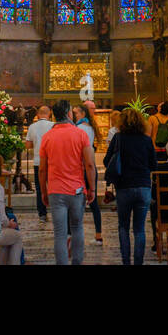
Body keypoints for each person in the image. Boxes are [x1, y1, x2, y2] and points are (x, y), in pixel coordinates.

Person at [39, 99, 95, 265]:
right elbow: (90, 164)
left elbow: (42, 169)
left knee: (59, 233)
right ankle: (77, 262)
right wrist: (92, 188)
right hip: (76, 189)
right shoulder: (80, 134)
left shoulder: (47, 137)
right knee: (77, 228)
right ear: (69, 113)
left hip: (56, 190)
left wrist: (43, 191)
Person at [104, 105, 157, 265]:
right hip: (143, 187)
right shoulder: (146, 140)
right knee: (139, 229)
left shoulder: (118, 138)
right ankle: (138, 262)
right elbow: (153, 165)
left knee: (123, 227)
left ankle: (126, 261)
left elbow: (107, 161)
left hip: (124, 187)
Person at [73, 102, 103, 244]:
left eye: (76, 113)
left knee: (78, 203)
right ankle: (98, 234)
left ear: (82, 114)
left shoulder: (78, 128)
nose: (74, 115)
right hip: (91, 168)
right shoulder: (90, 127)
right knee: (93, 202)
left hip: (81, 168)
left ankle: (75, 235)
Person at [24, 105, 54, 223]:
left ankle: (42, 214)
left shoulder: (32, 127)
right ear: (49, 114)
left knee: (39, 188)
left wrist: (37, 144)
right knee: (53, 187)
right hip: (52, 162)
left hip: (38, 161)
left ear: (38, 115)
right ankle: (56, 211)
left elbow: (28, 145)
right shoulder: (53, 126)